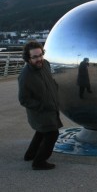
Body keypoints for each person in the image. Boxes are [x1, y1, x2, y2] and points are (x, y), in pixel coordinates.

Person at [18, 41, 63, 170]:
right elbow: (23, 99)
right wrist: (41, 105)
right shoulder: (25, 76)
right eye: (35, 57)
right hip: (40, 112)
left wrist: (55, 89)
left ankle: (30, 154)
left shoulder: (45, 64)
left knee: (42, 132)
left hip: (50, 107)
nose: (39, 59)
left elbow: (50, 81)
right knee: (52, 134)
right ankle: (39, 162)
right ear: (28, 58)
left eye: (40, 55)